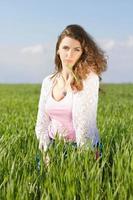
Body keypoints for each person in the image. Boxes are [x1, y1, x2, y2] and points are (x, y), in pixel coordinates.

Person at [35, 24, 107, 166]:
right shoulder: (48, 82)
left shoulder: (89, 80)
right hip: (52, 147)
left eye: (76, 49)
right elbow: (42, 122)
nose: (70, 54)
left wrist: (84, 157)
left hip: (82, 148)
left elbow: (86, 123)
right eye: (66, 48)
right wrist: (46, 152)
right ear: (58, 50)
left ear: (82, 53)